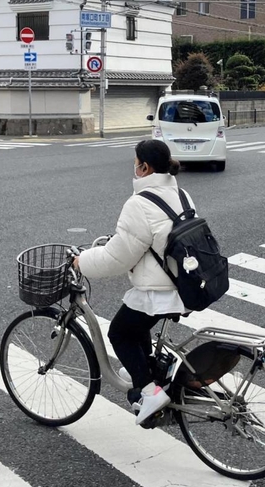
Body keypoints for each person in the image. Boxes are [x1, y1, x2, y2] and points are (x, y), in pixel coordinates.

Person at [74, 139, 190, 426]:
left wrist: (82, 261)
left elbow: (116, 259)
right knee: (137, 323)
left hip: (161, 290)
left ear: (144, 167)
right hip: (185, 284)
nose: (133, 166)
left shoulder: (140, 203)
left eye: (135, 162)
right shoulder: (181, 194)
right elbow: (153, 238)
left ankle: (150, 393)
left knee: (120, 333)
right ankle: (147, 372)